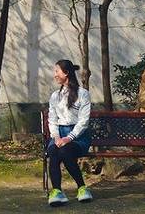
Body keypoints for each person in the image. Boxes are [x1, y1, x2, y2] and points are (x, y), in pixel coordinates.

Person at [47, 59, 93, 206]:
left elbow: (83, 121)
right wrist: (56, 137)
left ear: (66, 73)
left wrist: (69, 137)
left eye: (57, 71)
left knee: (65, 151)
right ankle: (57, 192)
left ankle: (82, 188)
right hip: (59, 134)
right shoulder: (55, 96)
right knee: (53, 151)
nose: (55, 75)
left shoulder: (83, 94)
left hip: (79, 137)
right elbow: (52, 120)